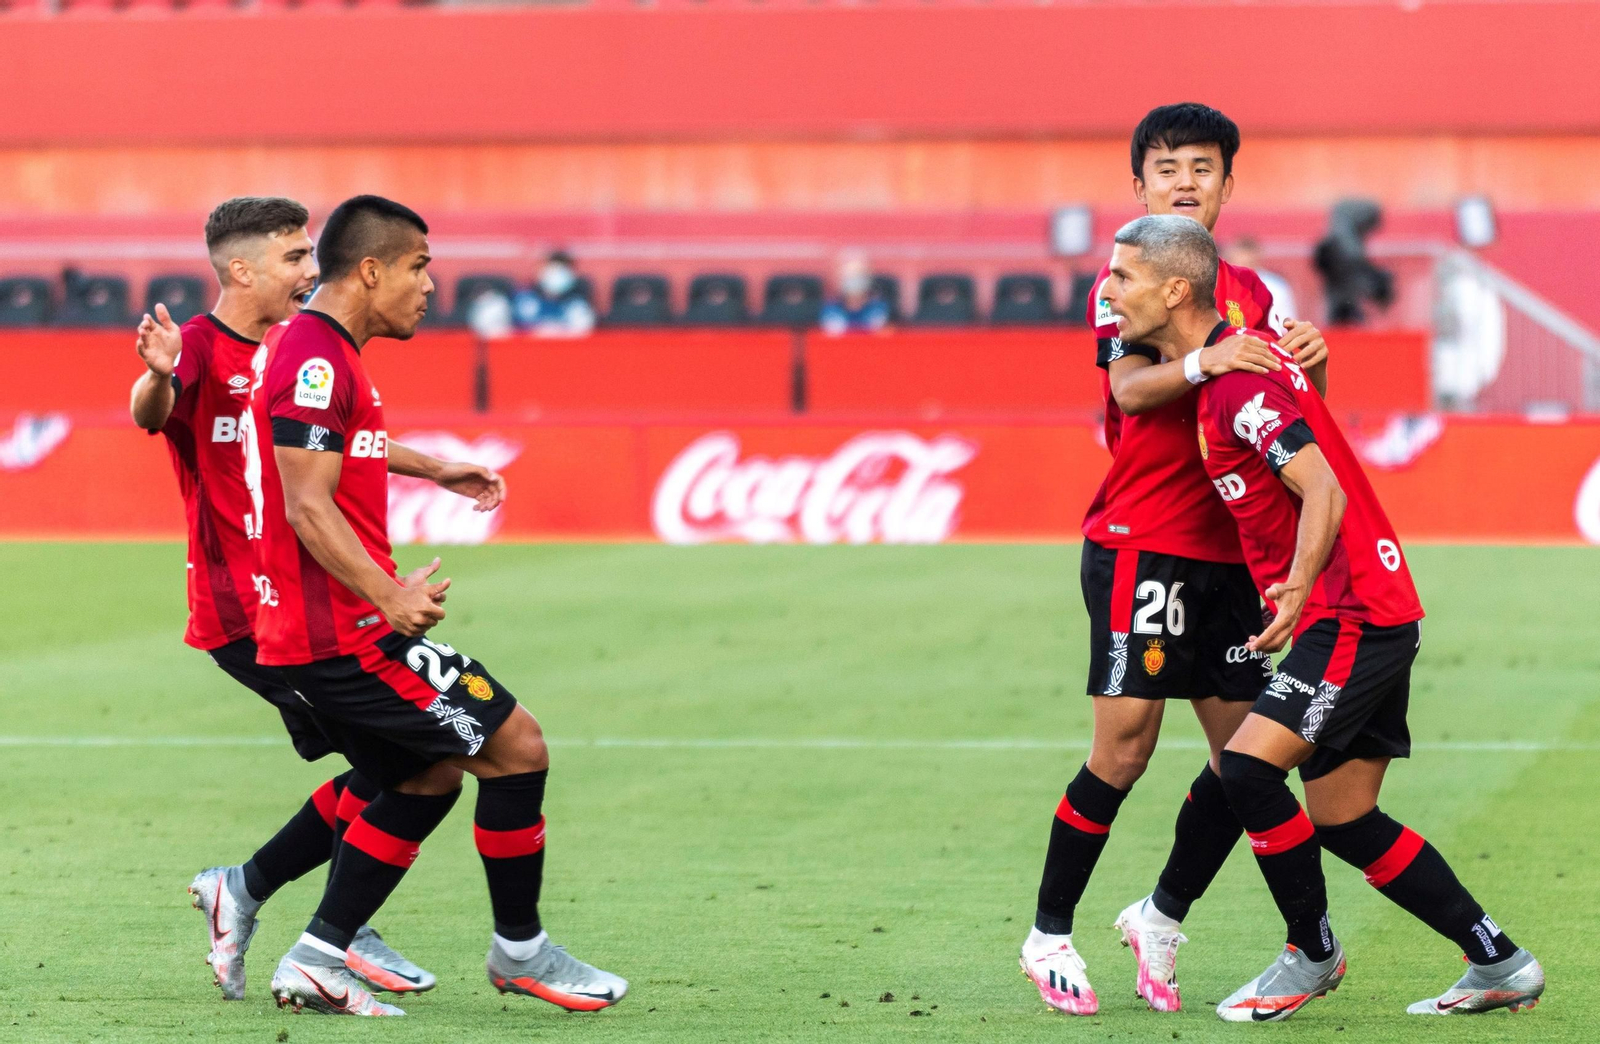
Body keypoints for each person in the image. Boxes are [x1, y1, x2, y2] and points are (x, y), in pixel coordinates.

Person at [1099, 213, 1543, 1022]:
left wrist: (1298, 586)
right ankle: (1499, 961)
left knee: (1246, 769)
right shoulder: (1243, 365)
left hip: (1351, 612)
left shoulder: (1236, 384)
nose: (1110, 290)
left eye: (1124, 276)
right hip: (1371, 607)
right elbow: (1309, 439)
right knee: (1345, 816)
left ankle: (1311, 951)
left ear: (1174, 291)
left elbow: (1322, 487)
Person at [245, 195, 625, 1017]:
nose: (429, 286)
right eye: (418, 267)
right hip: (343, 635)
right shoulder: (315, 359)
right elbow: (307, 503)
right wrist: (389, 595)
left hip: (332, 629)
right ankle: (520, 951)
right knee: (518, 747)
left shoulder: (325, 354)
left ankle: (316, 955)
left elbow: (343, 447)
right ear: (370, 270)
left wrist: (434, 468)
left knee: (425, 776)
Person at [1021, 102, 1331, 1016]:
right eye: (1167, 167)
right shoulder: (1122, 280)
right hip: (1142, 543)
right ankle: (1048, 935)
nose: (1186, 181)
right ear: (1140, 186)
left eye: (1202, 166)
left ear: (1229, 184)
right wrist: (1206, 364)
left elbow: (1285, 409)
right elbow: (1129, 388)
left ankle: (1161, 916)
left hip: (1231, 555)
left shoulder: (1254, 292)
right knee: (1124, 751)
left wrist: (1311, 363)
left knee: (1246, 761)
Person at [129, 196, 438, 1001]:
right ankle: (331, 928)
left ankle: (265, 898)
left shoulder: (288, 349)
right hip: (245, 613)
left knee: (394, 762)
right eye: (295, 256)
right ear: (242, 269)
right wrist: (156, 375)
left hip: (294, 602)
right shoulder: (199, 346)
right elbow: (151, 411)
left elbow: (333, 442)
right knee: (405, 764)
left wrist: (435, 467)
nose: (310, 269)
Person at [512, 250, 595, 336]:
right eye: (552, 269)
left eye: (561, 271)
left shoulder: (578, 307)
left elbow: (582, 335)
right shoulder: (524, 302)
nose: (556, 276)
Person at [1225, 236, 1298, 329]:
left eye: (1248, 263)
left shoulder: (1276, 289)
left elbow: (1287, 325)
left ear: (1257, 263)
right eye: (1238, 264)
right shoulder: (1217, 286)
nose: (1242, 269)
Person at [819, 254, 890, 335]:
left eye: (859, 276)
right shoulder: (831, 309)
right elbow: (833, 332)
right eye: (849, 277)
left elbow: (876, 330)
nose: (855, 281)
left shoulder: (878, 307)